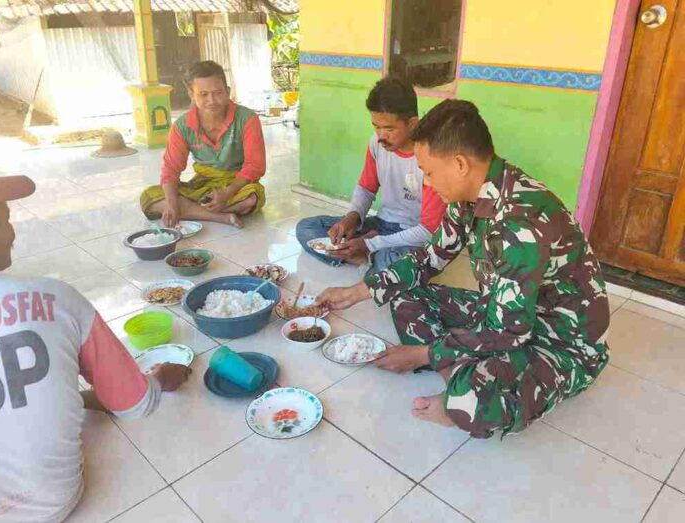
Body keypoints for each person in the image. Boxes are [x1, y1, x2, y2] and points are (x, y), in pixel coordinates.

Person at [316, 100, 610, 439]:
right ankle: (458, 371)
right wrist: (355, 293)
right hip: (503, 314)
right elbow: (430, 258)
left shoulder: (519, 222)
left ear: (459, 164)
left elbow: (508, 331)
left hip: (558, 342)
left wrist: (423, 354)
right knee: (405, 297)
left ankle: (460, 385)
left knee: (470, 401)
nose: (427, 182)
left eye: (428, 172)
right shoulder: (468, 197)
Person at [0, 175, 191, 522]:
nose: (13, 232)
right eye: (7, 220)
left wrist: (74, 396)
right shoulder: (56, 299)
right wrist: (157, 379)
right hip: (50, 501)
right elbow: (137, 404)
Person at [295, 77, 446, 276]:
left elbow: (428, 230)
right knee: (306, 228)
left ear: (412, 123)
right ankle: (366, 260)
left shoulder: (430, 155)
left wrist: (371, 243)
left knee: (406, 263)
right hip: (381, 224)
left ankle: (365, 257)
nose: (381, 135)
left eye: (389, 129)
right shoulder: (376, 143)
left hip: (413, 235)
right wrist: (353, 217)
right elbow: (366, 188)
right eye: (376, 126)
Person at [140, 60, 266, 229]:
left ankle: (195, 211)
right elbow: (171, 168)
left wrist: (227, 192)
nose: (212, 100)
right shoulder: (182, 125)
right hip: (201, 185)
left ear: (228, 92)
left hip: (237, 184)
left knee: (251, 197)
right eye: (203, 94)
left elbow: (255, 166)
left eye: (218, 93)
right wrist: (171, 203)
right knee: (149, 196)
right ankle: (222, 216)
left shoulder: (247, 119)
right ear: (191, 95)